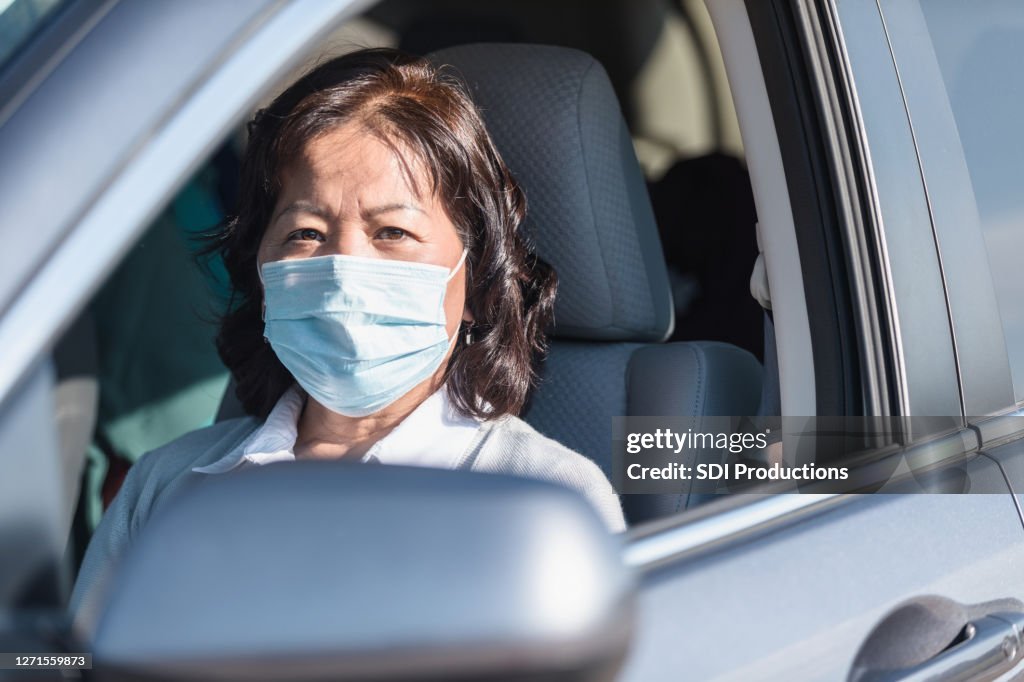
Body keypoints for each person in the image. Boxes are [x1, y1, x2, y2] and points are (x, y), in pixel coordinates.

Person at [71, 47, 625, 621]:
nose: (342, 272)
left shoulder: (551, 501)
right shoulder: (167, 484)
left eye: (392, 231)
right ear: (261, 274)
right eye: (306, 233)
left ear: (477, 280)